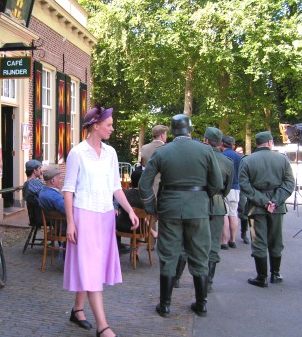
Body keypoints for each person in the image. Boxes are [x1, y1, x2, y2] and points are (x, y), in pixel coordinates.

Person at [62, 106, 139, 337]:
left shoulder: (111, 153)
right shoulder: (77, 153)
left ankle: (77, 310)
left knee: (92, 266)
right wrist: (70, 223)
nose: (112, 129)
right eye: (109, 125)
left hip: (105, 216)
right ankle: (102, 326)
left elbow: (116, 186)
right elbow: (68, 190)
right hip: (83, 215)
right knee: (91, 268)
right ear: (96, 126)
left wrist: (130, 210)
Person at [139, 114, 223, 317]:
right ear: (190, 130)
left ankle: (165, 306)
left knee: (168, 255)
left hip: (169, 209)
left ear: (172, 131)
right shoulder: (205, 150)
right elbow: (217, 183)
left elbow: (144, 184)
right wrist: (203, 198)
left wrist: (151, 208)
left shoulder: (162, 152)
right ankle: (201, 304)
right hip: (198, 209)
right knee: (200, 255)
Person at [239, 131, 294, 288]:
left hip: (257, 206)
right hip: (277, 206)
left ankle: (261, 277)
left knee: (259, 240)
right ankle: (275, 274)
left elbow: (245, 185)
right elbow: (289, 183)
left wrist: (263, 201)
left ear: (257, 143)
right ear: (270, 143)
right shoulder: (282, 160)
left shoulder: (248, 160)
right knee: (276, 239)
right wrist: (275, 201)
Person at [203, 128, 233, 292]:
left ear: (206, 140)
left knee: (191, 241)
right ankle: (208, 282)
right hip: (217, 203)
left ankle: (178, 278)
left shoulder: (199, 156)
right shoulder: (227, 162)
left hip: (199, 202)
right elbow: (227, 188)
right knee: (214, 244)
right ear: (220, 142)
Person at [116, 168, 157, 253]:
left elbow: (119, 208)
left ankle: (117, 246)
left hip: (123, 226)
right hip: (141, 229)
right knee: (142, 219)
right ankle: (136, 251)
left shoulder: (125, 194)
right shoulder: (147, 197)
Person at [220, 136, 243, 249]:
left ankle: (223, 241)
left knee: (225, 214)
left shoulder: (222, 156)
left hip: (226, 188)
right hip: (236, 187)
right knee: (233, 214)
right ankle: (232, 240)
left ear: (222, 144)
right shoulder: (239, 157)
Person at [140, 125, 168, 195]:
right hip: (163, 187)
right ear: (162, 135)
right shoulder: (167, 148)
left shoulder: (144, 148)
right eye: (166, 134)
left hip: (148, 187)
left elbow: (143, 164)